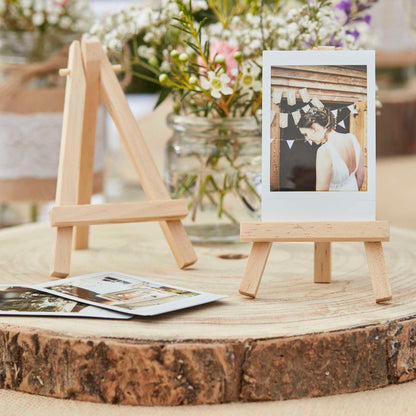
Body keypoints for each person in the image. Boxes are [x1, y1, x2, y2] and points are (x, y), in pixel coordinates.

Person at [298, 107, 365, 191]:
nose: (307, 139)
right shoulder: (352, 138)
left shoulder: (324, 151)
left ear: (315, 127)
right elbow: (361, 177)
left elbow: (322, 192)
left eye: (306, 134)